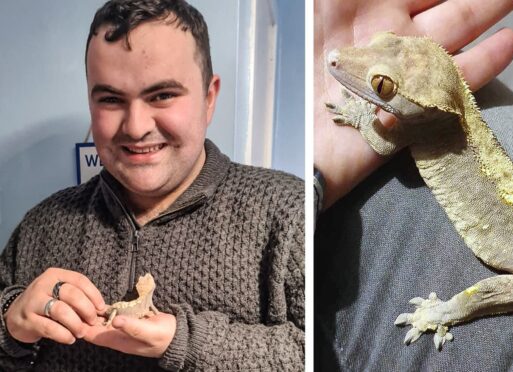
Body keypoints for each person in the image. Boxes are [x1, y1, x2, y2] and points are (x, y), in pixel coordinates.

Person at [314, 0, 513, 370]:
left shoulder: (420, 124)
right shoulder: (440, 107)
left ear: (426, 108)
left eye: (381, 85)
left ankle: (444, 313)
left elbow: (379, 142)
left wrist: (363, 117)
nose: (337, 59)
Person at [0, 0, 304, 370]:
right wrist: (8, 325)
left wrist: (187, 343)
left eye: (162, 96)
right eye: (111, 99)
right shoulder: (39, 226)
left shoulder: (290, 212)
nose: (135, 126)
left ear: (209, 98)